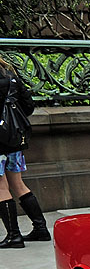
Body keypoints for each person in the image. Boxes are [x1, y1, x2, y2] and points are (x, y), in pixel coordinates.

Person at [0, 57, 47, 249]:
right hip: (14, 138)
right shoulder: (11, 76)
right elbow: (28, 106)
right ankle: (41, 228)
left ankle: (13, 236)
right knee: (17, 183)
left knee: (1, 186)